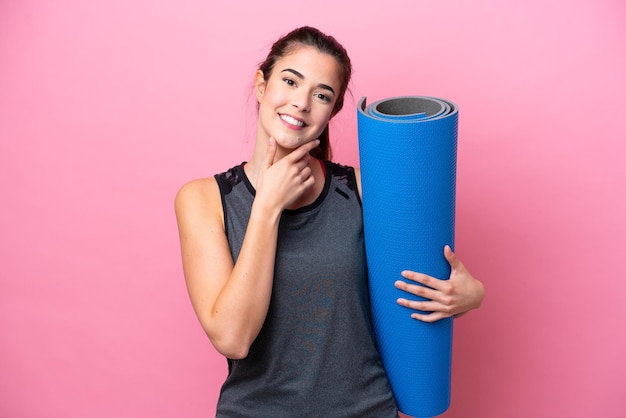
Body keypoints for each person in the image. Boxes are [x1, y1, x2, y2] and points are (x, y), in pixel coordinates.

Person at [175, 26, 484, 417]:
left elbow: (421, 282)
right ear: (261, 85)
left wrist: (470, 296)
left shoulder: (361, 189)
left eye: (322, 95)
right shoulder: (204, 199)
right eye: (290, 81)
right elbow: (233, 338)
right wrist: (267, 207)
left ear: (332, 112)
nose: (302, 103)